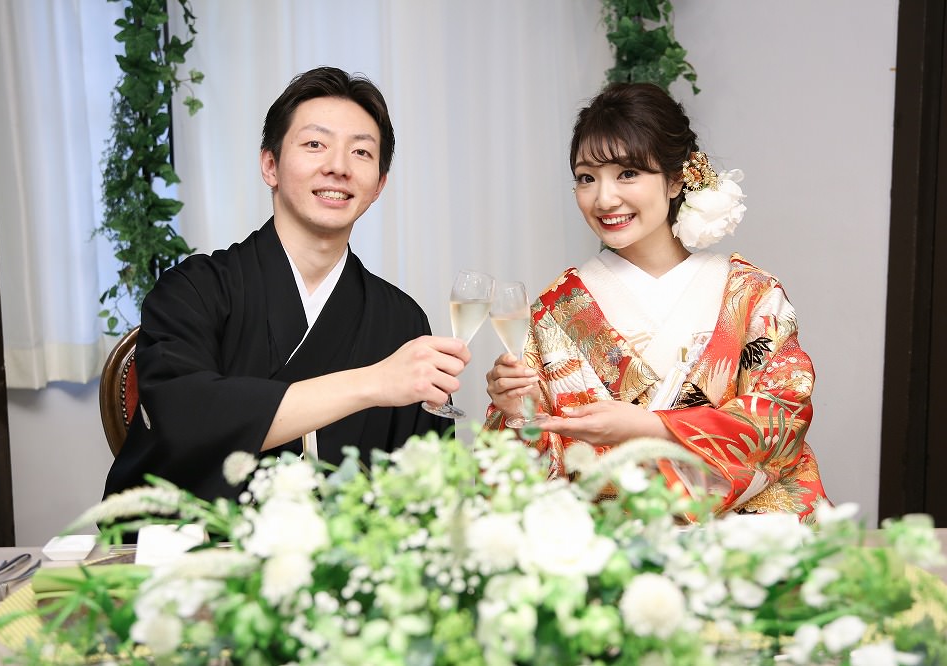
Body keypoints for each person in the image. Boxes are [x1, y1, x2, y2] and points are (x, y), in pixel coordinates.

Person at [105, 66, 469, 502]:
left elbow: (425, 488)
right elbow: (186, 420)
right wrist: (375, 382)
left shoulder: (400, 320)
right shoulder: (194, 290)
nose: (338, 167)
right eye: (315, 144)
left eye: (361, 152)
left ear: (378, 186)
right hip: (199, 538)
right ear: (270, 165)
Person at [485, 82, 828, 522]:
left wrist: (651, 427)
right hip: (611, 547)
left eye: (627, 173)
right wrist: (519, 414)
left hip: (738, 544)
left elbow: (782, 418)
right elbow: (519, 483)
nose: (604, 198)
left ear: (676, 180)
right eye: (587, 178)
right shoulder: (554, 311)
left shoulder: (750, 295)